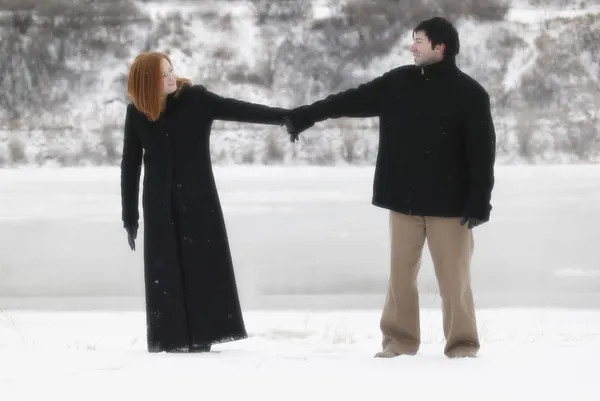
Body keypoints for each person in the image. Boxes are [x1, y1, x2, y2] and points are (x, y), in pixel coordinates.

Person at [284, 17, 496, 358]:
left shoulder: (469, 93)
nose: (412, 46)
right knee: (400, 278)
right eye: (413, 40)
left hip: (451, 205)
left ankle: (463, 345)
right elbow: (350, 99)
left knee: (454, 281)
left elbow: (482, 154)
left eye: (419, 41)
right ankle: (399, 341)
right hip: (404, 199)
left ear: (440, 47)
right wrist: (307, 115)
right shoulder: (400, 82)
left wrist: (479, 202)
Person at [121, 51, 290, 353]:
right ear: (147, 81)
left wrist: (286, 116)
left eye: (171, 70)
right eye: (163, 74)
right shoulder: (137, 113)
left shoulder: (196, 100)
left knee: (203, 268)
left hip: (198, 202)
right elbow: (130, 165)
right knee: (165, 273)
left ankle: (204, 335)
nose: (171, 77)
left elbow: (241, 110)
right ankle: (170, 338)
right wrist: (130, 216)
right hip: (159, 207)